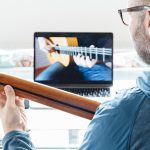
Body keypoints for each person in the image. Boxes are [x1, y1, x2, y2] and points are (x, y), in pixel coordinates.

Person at [1, 0, 150, 149]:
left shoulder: (122, 116)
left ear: (148, 20)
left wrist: (14, 132)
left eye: (129, 15)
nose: (128, 25)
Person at [35, 36, 112, 82]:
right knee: (41, 82)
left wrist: (99, 60)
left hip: (92, 63)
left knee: (108, 80)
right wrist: (41, 38)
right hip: (61, 60)